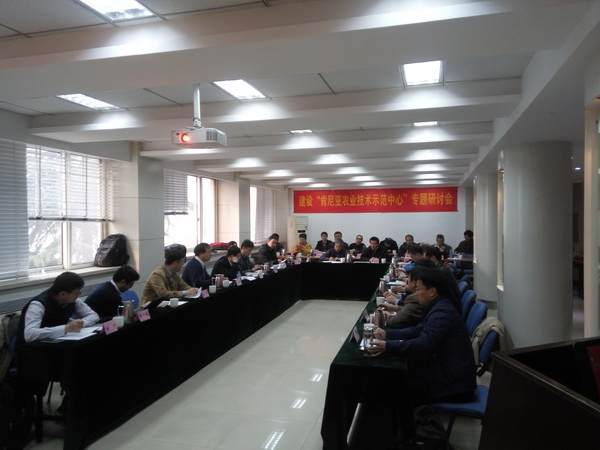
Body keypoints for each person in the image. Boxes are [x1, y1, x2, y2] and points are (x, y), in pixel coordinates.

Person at [367, 266, 476, 405]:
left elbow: (423, 344)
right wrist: (387, 334)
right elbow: (417, 330)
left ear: (432, 291)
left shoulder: (442, 312)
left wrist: (388, 346)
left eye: (418, 289)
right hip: (447, 372)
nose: (416, 293)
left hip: (454, 384)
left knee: (395, 388)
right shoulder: (438, 306)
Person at [18, 272, 99, 343]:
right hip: (31, 347)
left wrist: (80, 324)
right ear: (63, 294)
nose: (79, 294)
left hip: (56, 341)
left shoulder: (73, 301)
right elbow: (30, 335)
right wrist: (65, 328)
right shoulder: (38, 305)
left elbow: (93, 315)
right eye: (77, 292)